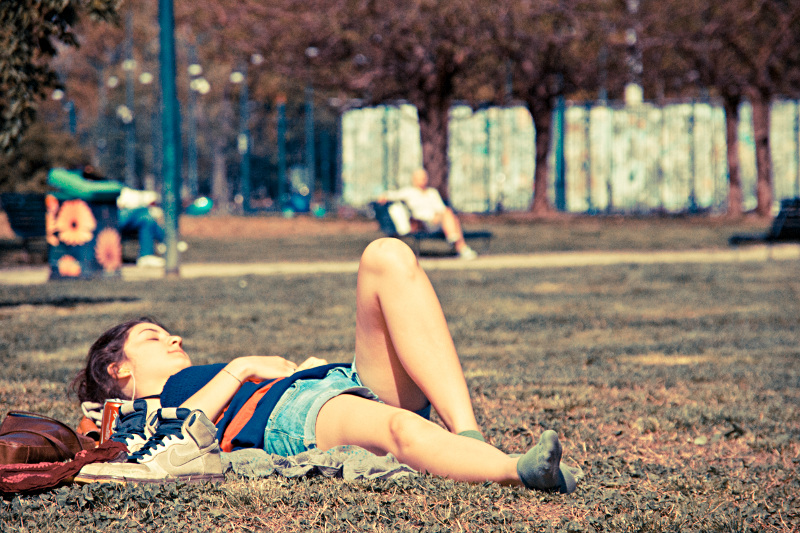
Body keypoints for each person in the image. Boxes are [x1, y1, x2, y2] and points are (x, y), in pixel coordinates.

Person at [71, 238, 581, 492]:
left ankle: (467, 436)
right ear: (119, 370)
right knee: (399, 428)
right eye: (153, 337)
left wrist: (298, 373)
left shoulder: (193, 378)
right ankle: (517, 471)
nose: (173, 337)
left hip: (325, 388)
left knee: (386, 256)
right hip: (289, 418)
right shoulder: (144, 413)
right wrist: (244, 366)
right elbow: (180, 431)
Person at [379, 169, 478, 260]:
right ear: (414, 179)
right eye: (419, 178)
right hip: (423, 223)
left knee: (449, 215)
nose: (422, 180)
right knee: (452, 218)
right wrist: (384, 196)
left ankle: (455, 240)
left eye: (423, 178)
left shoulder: (432, 192)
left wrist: (437, 216)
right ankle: (460, 246)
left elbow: (441, 209)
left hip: (438, 221)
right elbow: (393, 195)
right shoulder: (409, 192)